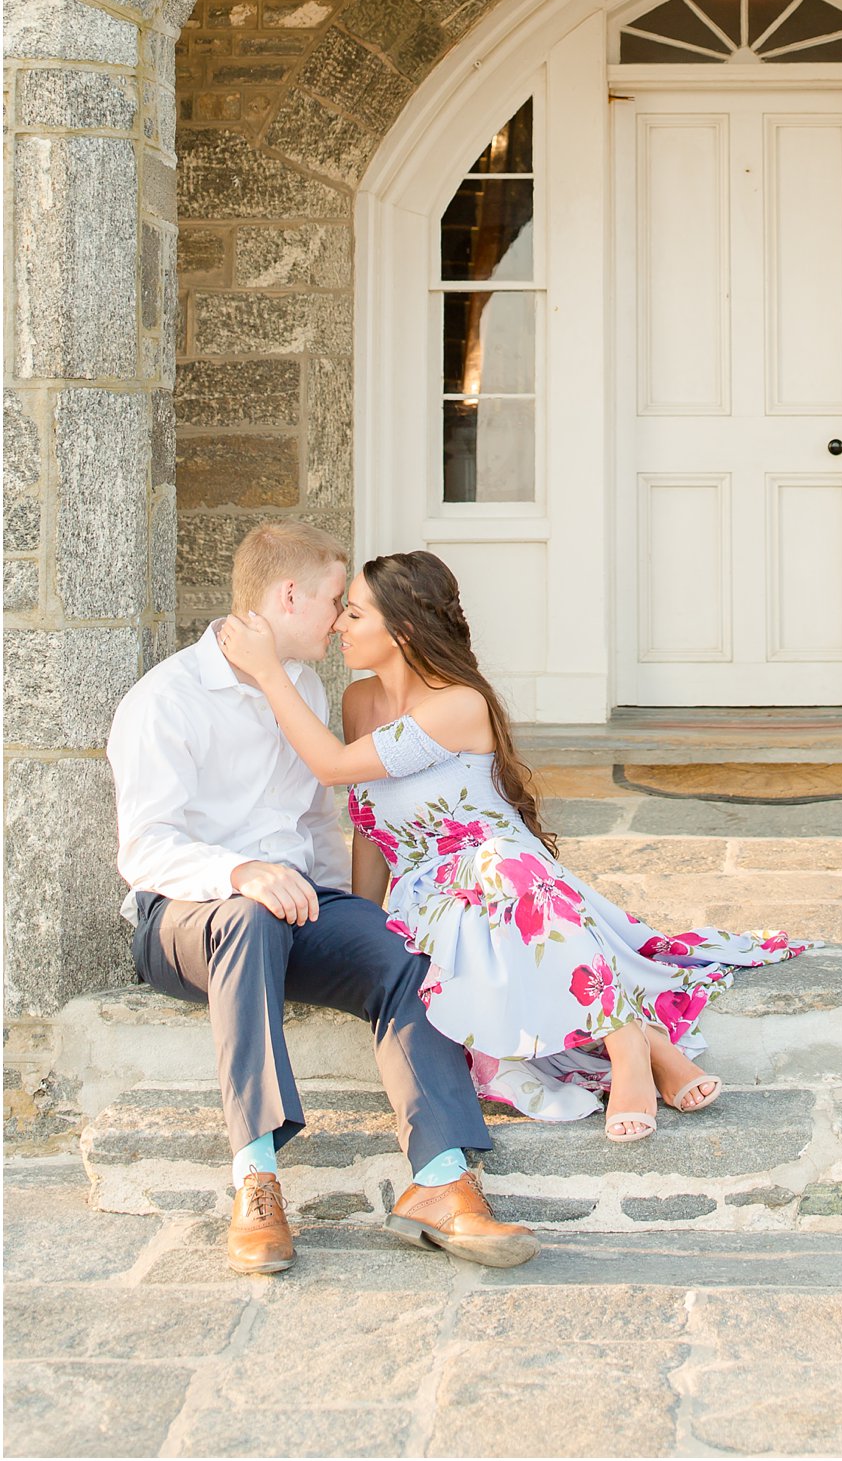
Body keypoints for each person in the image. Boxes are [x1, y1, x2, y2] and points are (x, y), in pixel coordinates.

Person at [216, 549, 805, 1142]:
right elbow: (368, 821)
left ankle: (625, 1044)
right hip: (429, 900)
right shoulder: (357, 702)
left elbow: (333, 766)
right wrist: (365, 919)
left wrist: (268, 673)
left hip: (510, 885)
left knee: (503, 863)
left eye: (356, 614)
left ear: (403, 631)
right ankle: (648, 1039)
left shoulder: (459, 704)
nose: (340, 623)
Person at [107, 521, 539, 1278]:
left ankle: (440, 1181)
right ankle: (256, 1179)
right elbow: (145, 850)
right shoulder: (164, 699)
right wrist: (240, 872)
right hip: (186, 919)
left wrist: (351, 920)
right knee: (248, 916)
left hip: (292, 909)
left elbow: (313, 824)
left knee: (400, 947)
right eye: (336, 599)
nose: (341, 617)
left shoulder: (301, 686)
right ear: (288, 595)